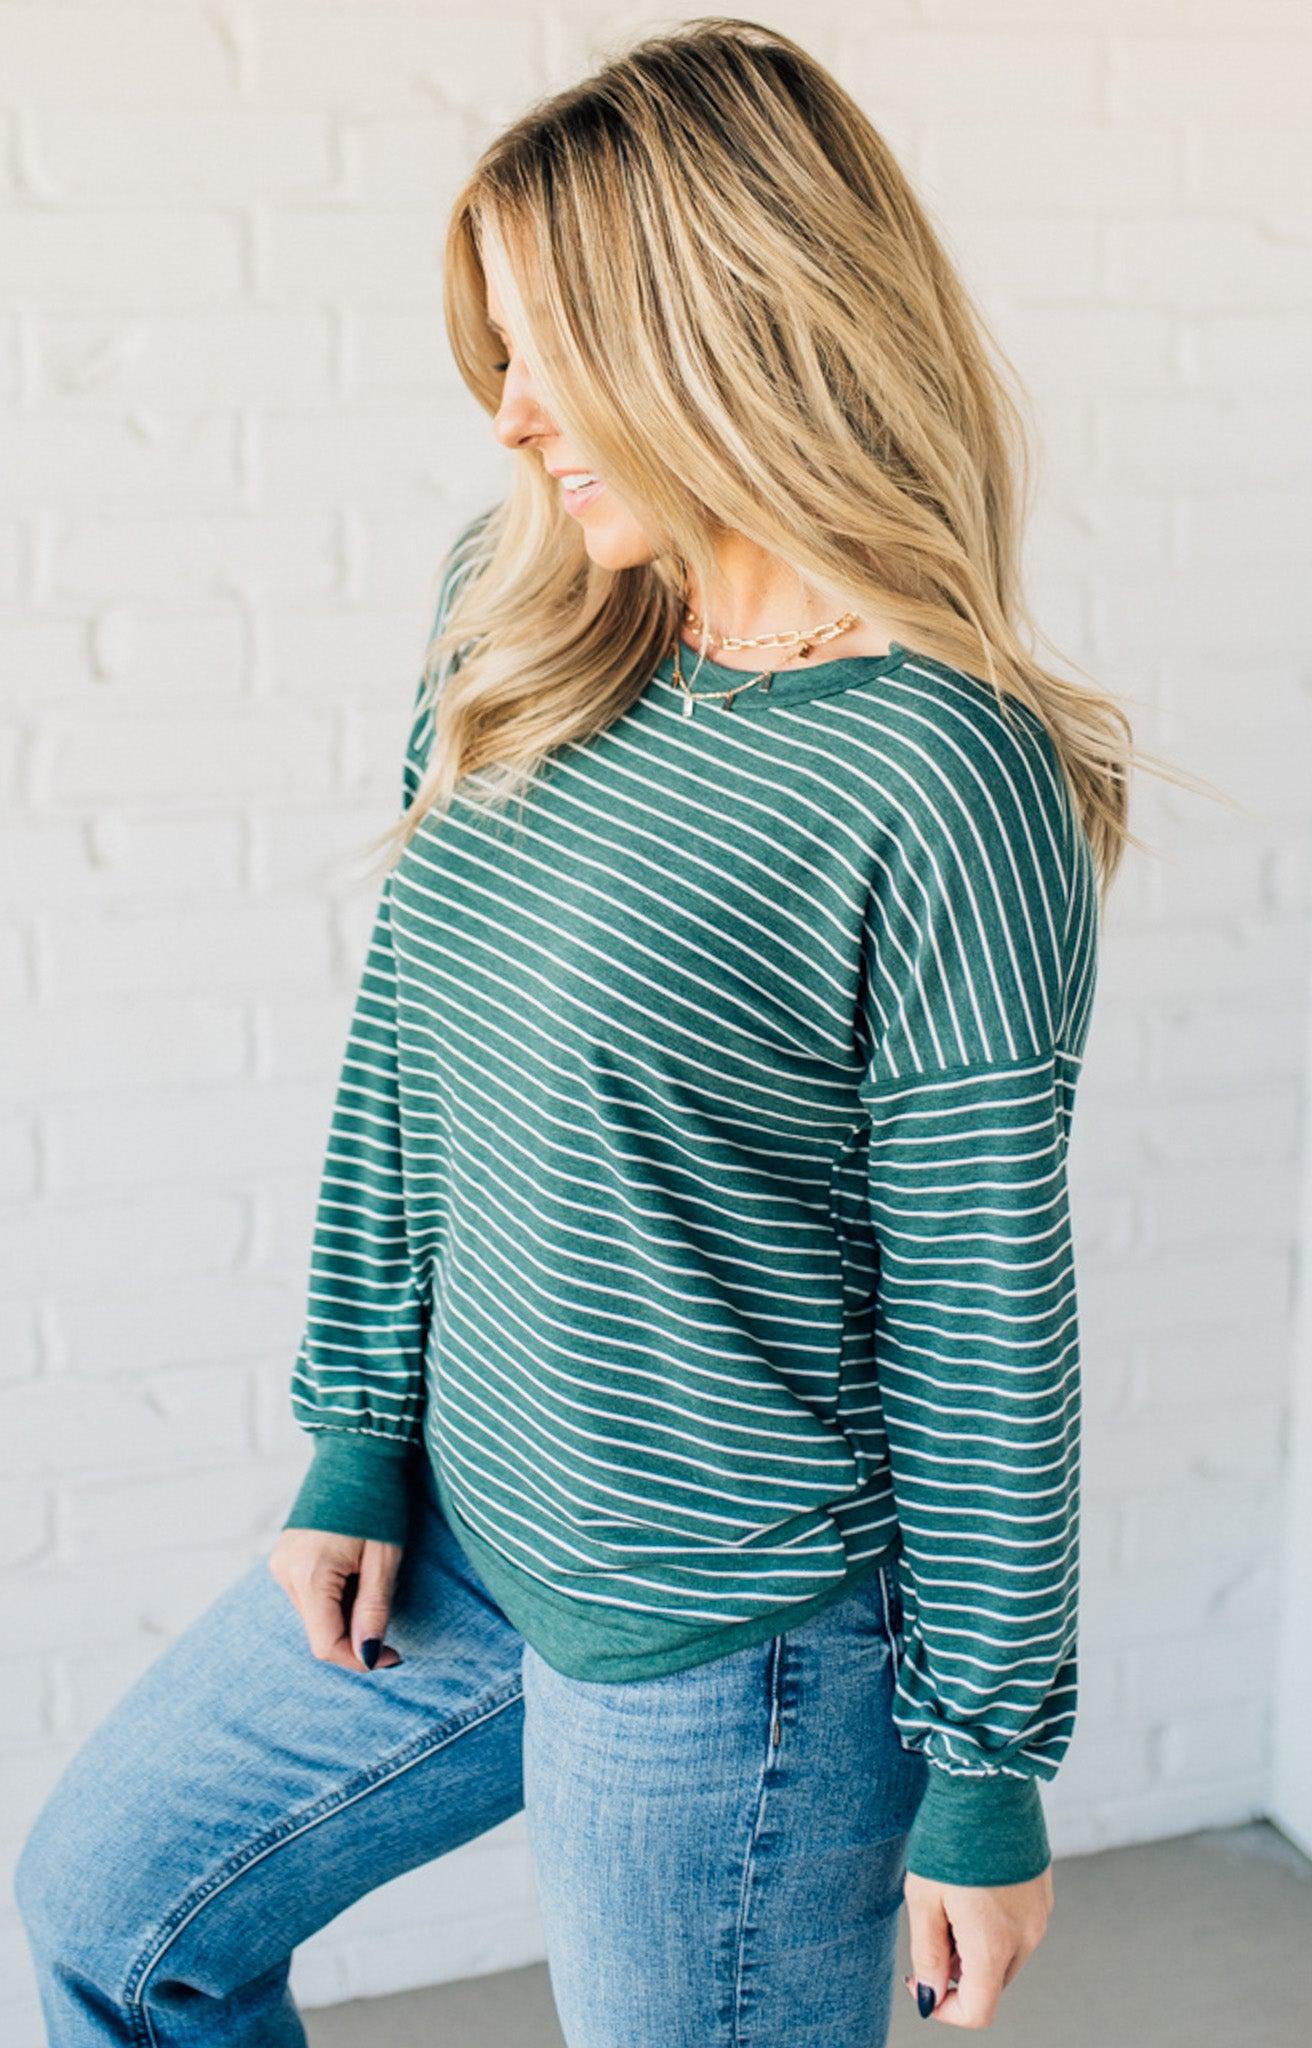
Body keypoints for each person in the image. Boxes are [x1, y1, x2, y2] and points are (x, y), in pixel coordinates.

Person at [15, 18, 1152, 2044]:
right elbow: (408, 1044)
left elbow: (986, 1310)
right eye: (498, 352)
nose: (512, 412)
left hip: (736, 1642)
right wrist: (358, 1429)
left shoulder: (934, 771)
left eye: (548, 351)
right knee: (114, 1912)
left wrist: (980, 1764)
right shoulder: (520, 607)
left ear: (715, 336)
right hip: (469, 1521)